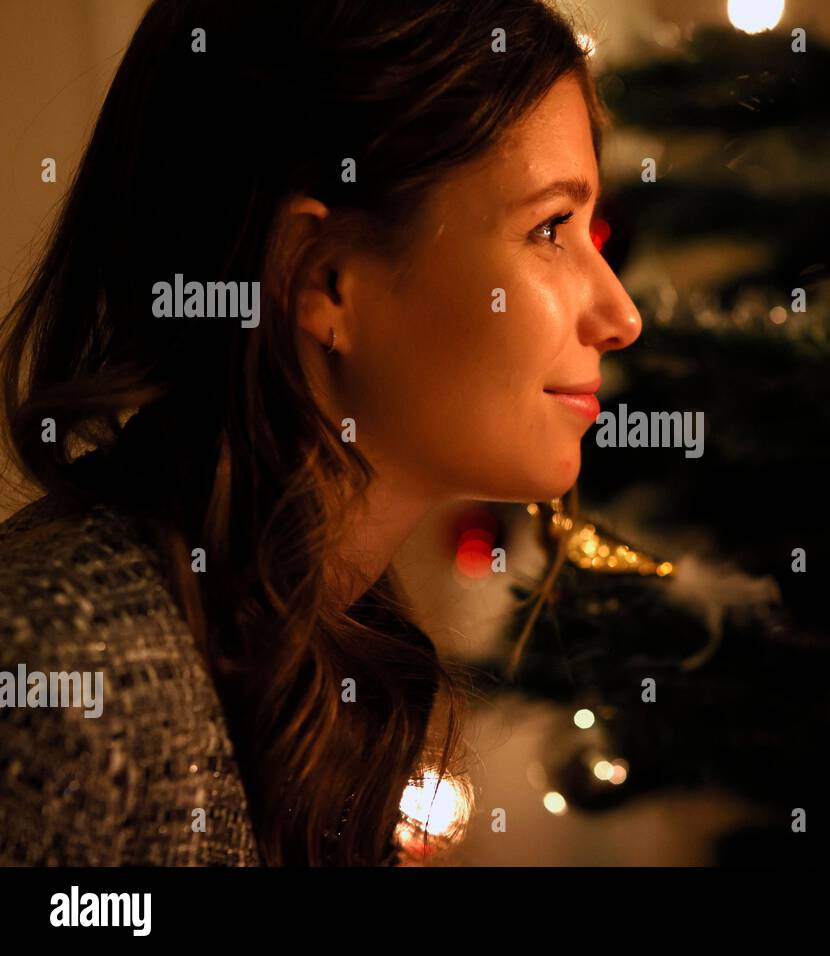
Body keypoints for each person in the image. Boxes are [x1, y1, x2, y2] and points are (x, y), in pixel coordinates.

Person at [0, 0, 640, 866]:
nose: (620, 314)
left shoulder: (321, 643)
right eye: (549, 228)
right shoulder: (65, 674)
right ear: (324, 276)